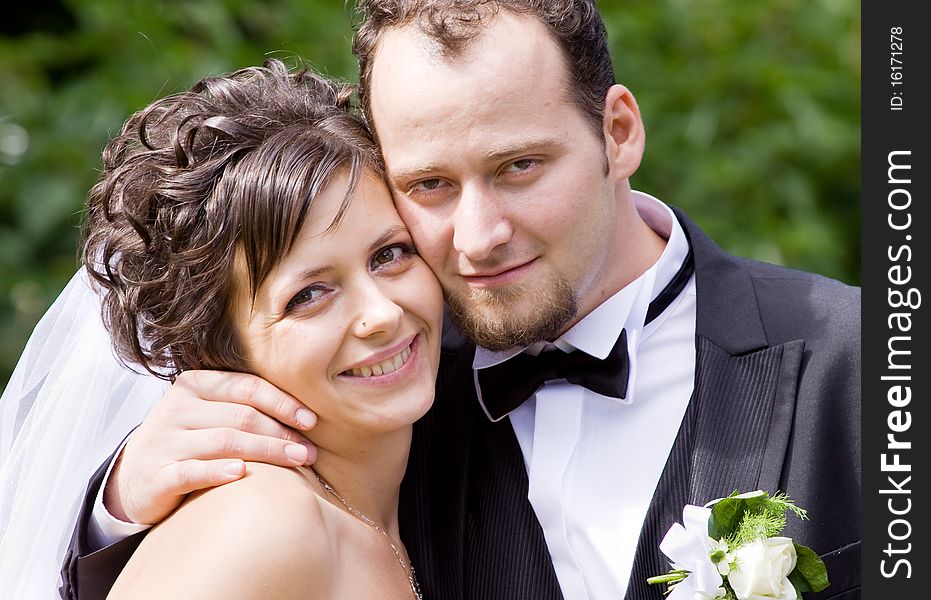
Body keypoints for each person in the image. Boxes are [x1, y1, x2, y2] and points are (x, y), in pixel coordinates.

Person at [49, 1, 858, 599]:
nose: (477, 237)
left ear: (617, 132)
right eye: (429, 185)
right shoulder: (378, 396)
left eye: (518, 167)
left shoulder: (861, 360)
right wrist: (119, 513)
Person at [1, 60, 445, 599]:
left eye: (389, 254)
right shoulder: (260, 526)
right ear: (223, 350)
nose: (382, 313)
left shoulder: (384, 493)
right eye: (309, 295)